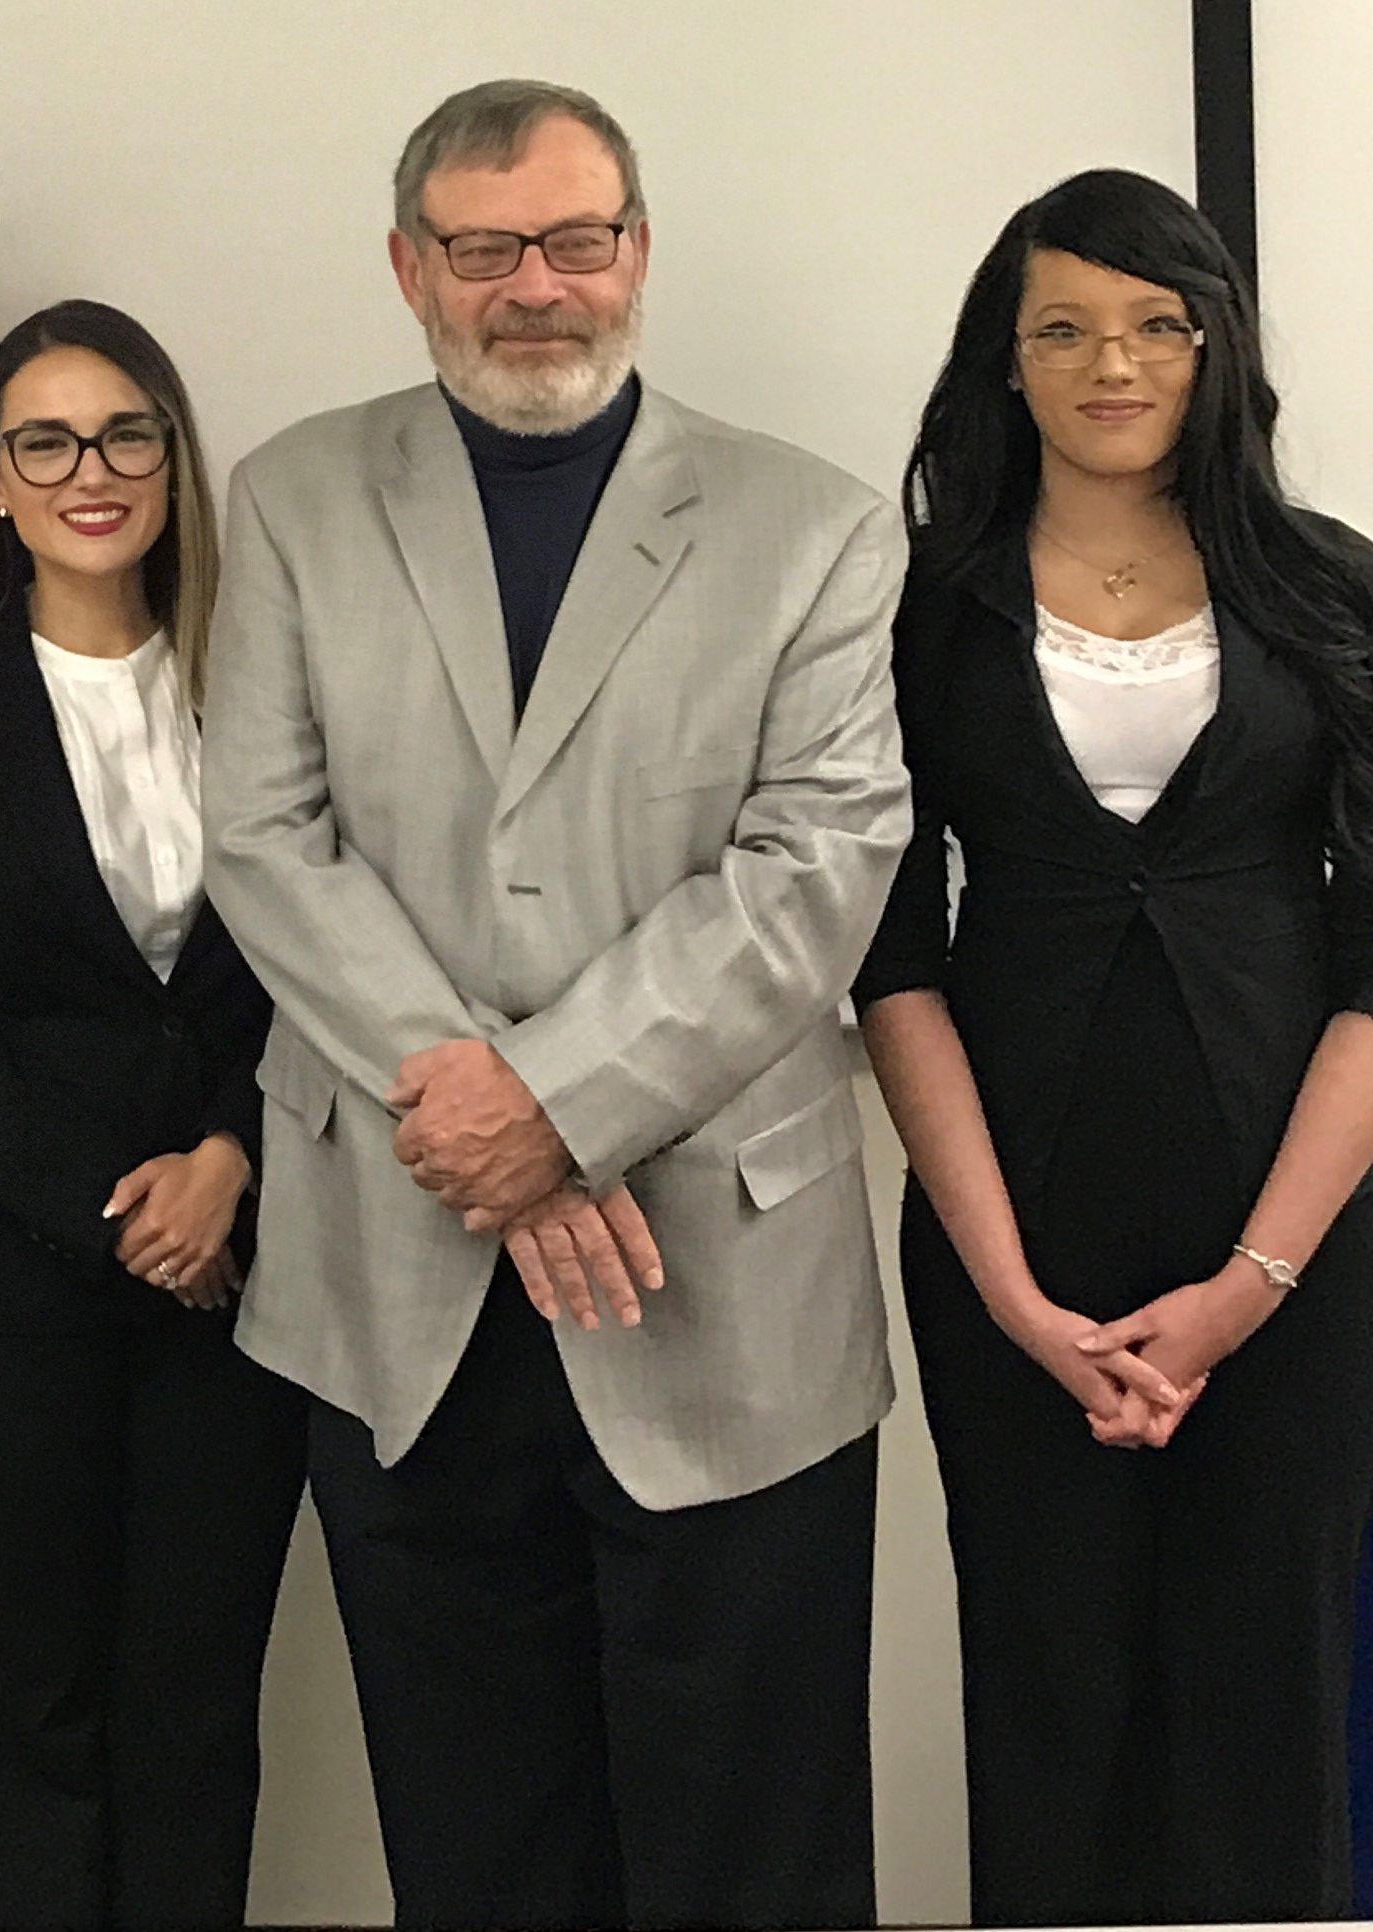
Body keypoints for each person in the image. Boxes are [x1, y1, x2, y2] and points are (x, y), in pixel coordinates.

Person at [202, 79, 910, 1929]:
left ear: (636, 254)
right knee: (472, 1840)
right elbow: (262, 840)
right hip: (396, 1271)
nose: (536, 287)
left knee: (745, 1852)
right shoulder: (287, 494)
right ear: (406, 267)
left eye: (574, 240)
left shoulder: (813, 528)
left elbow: (812, 871)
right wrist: (484, 1112)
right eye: (483, 246)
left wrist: (558, 1110)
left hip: (718, 1294)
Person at [856, 168, 1373, 1923]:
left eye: (1156, 323)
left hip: (1292, 1245)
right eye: (1061, 327)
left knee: (1267, 1703)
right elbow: (888, 963)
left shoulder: (1328, 590)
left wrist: (1248, 1285)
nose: (1111, 362)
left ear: (1212, 347)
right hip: (1019, 1233)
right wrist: (1006, 1294)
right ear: (1002, 363)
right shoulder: (917, 612)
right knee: (1046, 1691)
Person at [0, 298, 306, 1926]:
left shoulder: (274, 699)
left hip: (236, 1285)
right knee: (22, 1713)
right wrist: (115, 1200)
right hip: (1, 1292)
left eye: (123, 433)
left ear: (171, 459)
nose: (87, 469)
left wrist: (231, 1157)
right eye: (43, 440)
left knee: (192, 1711)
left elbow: (322, 971)